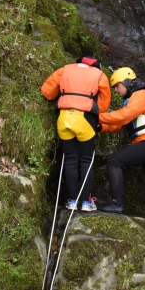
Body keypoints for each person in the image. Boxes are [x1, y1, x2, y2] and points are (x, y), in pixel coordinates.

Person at [99, 67, 145, 223]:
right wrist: (100, 127)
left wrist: (98, 116)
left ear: (126, 82)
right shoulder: (132, 100)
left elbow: (123, 116)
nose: (116, 90)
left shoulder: (141, 95)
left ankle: (118, 204)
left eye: (117, 86)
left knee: (113, 160)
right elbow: (119, 125)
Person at [41, 56, 111, 211]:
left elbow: (47, 92)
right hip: (85, 119)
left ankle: (72, 201)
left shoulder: (64, 70)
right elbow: (104, 105)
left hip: (64, 117)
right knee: (86, 160)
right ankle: (86, 202)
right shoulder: (99, 75)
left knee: (70, 159)